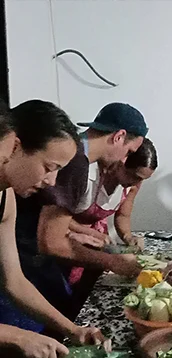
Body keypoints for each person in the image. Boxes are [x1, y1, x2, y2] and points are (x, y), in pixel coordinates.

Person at [15, 102, 148, 323]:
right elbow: (51, 242)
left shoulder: (75, 153)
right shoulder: (76, 162)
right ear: (118, 136)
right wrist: (112, 262)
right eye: (129, 151)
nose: (126, 159)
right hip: (25, 262)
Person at [0, 99, 110, 357]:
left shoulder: (7, 200)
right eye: (49, 168)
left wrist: (74, 330)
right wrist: (16, 336)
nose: (51, 182)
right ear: (15, 147)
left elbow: (14, 281)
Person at [64, 138, 157, 316]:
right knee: (70, 297)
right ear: (122, 162)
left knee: (92, 293)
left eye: (142, 180)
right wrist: (86, 231)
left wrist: (128, 237)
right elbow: (61, 219)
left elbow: (123, 215)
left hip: (99, 242)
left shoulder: (132, 185)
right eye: (135, 176)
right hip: (70, 240)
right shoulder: (88, 174)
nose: (136, 183)